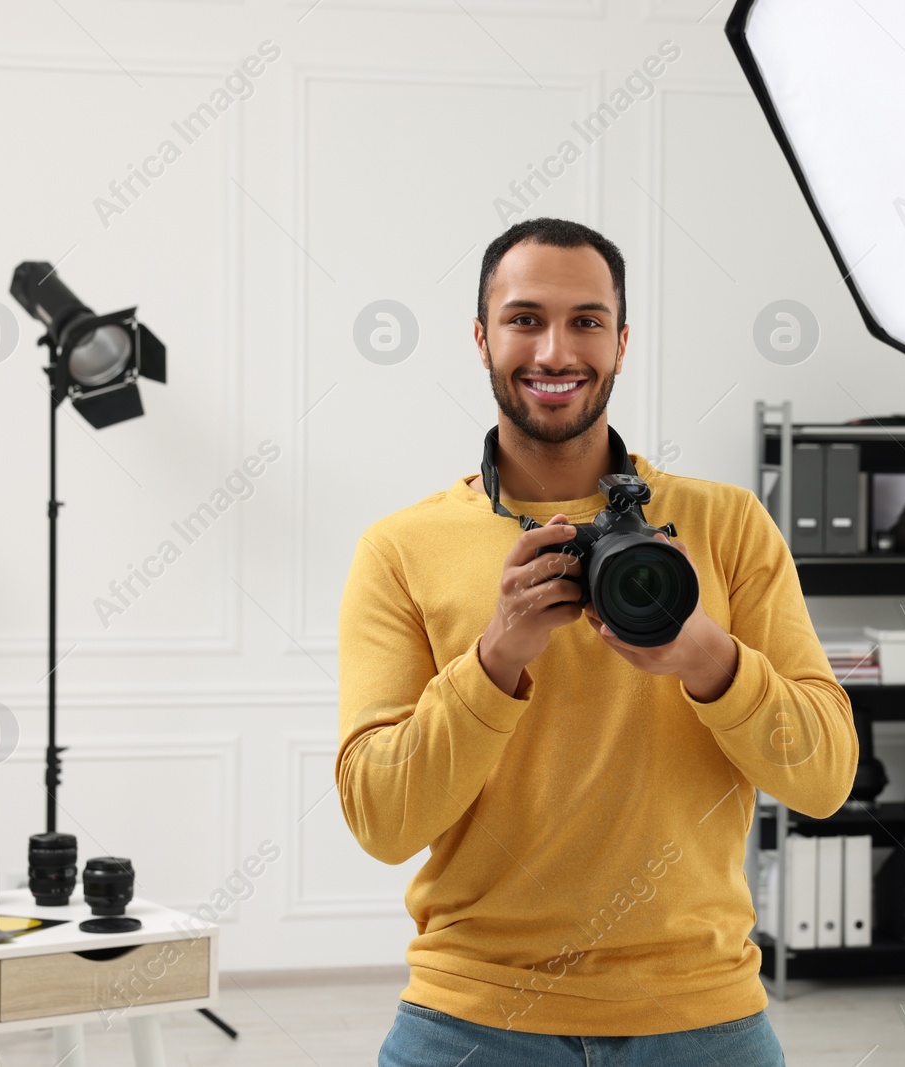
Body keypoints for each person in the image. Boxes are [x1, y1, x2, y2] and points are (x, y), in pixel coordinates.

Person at [336, 217, 857, 1067]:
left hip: (702, 1014)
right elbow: (382, 819)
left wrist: (705, 659)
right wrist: (495, 658)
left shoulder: (726, 526)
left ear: (621, 341)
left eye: (585, 321)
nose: (554, 350)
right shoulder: (400, 548)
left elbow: (827, 777)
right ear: (481, 337)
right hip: (470, 1014)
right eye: (524, 318)